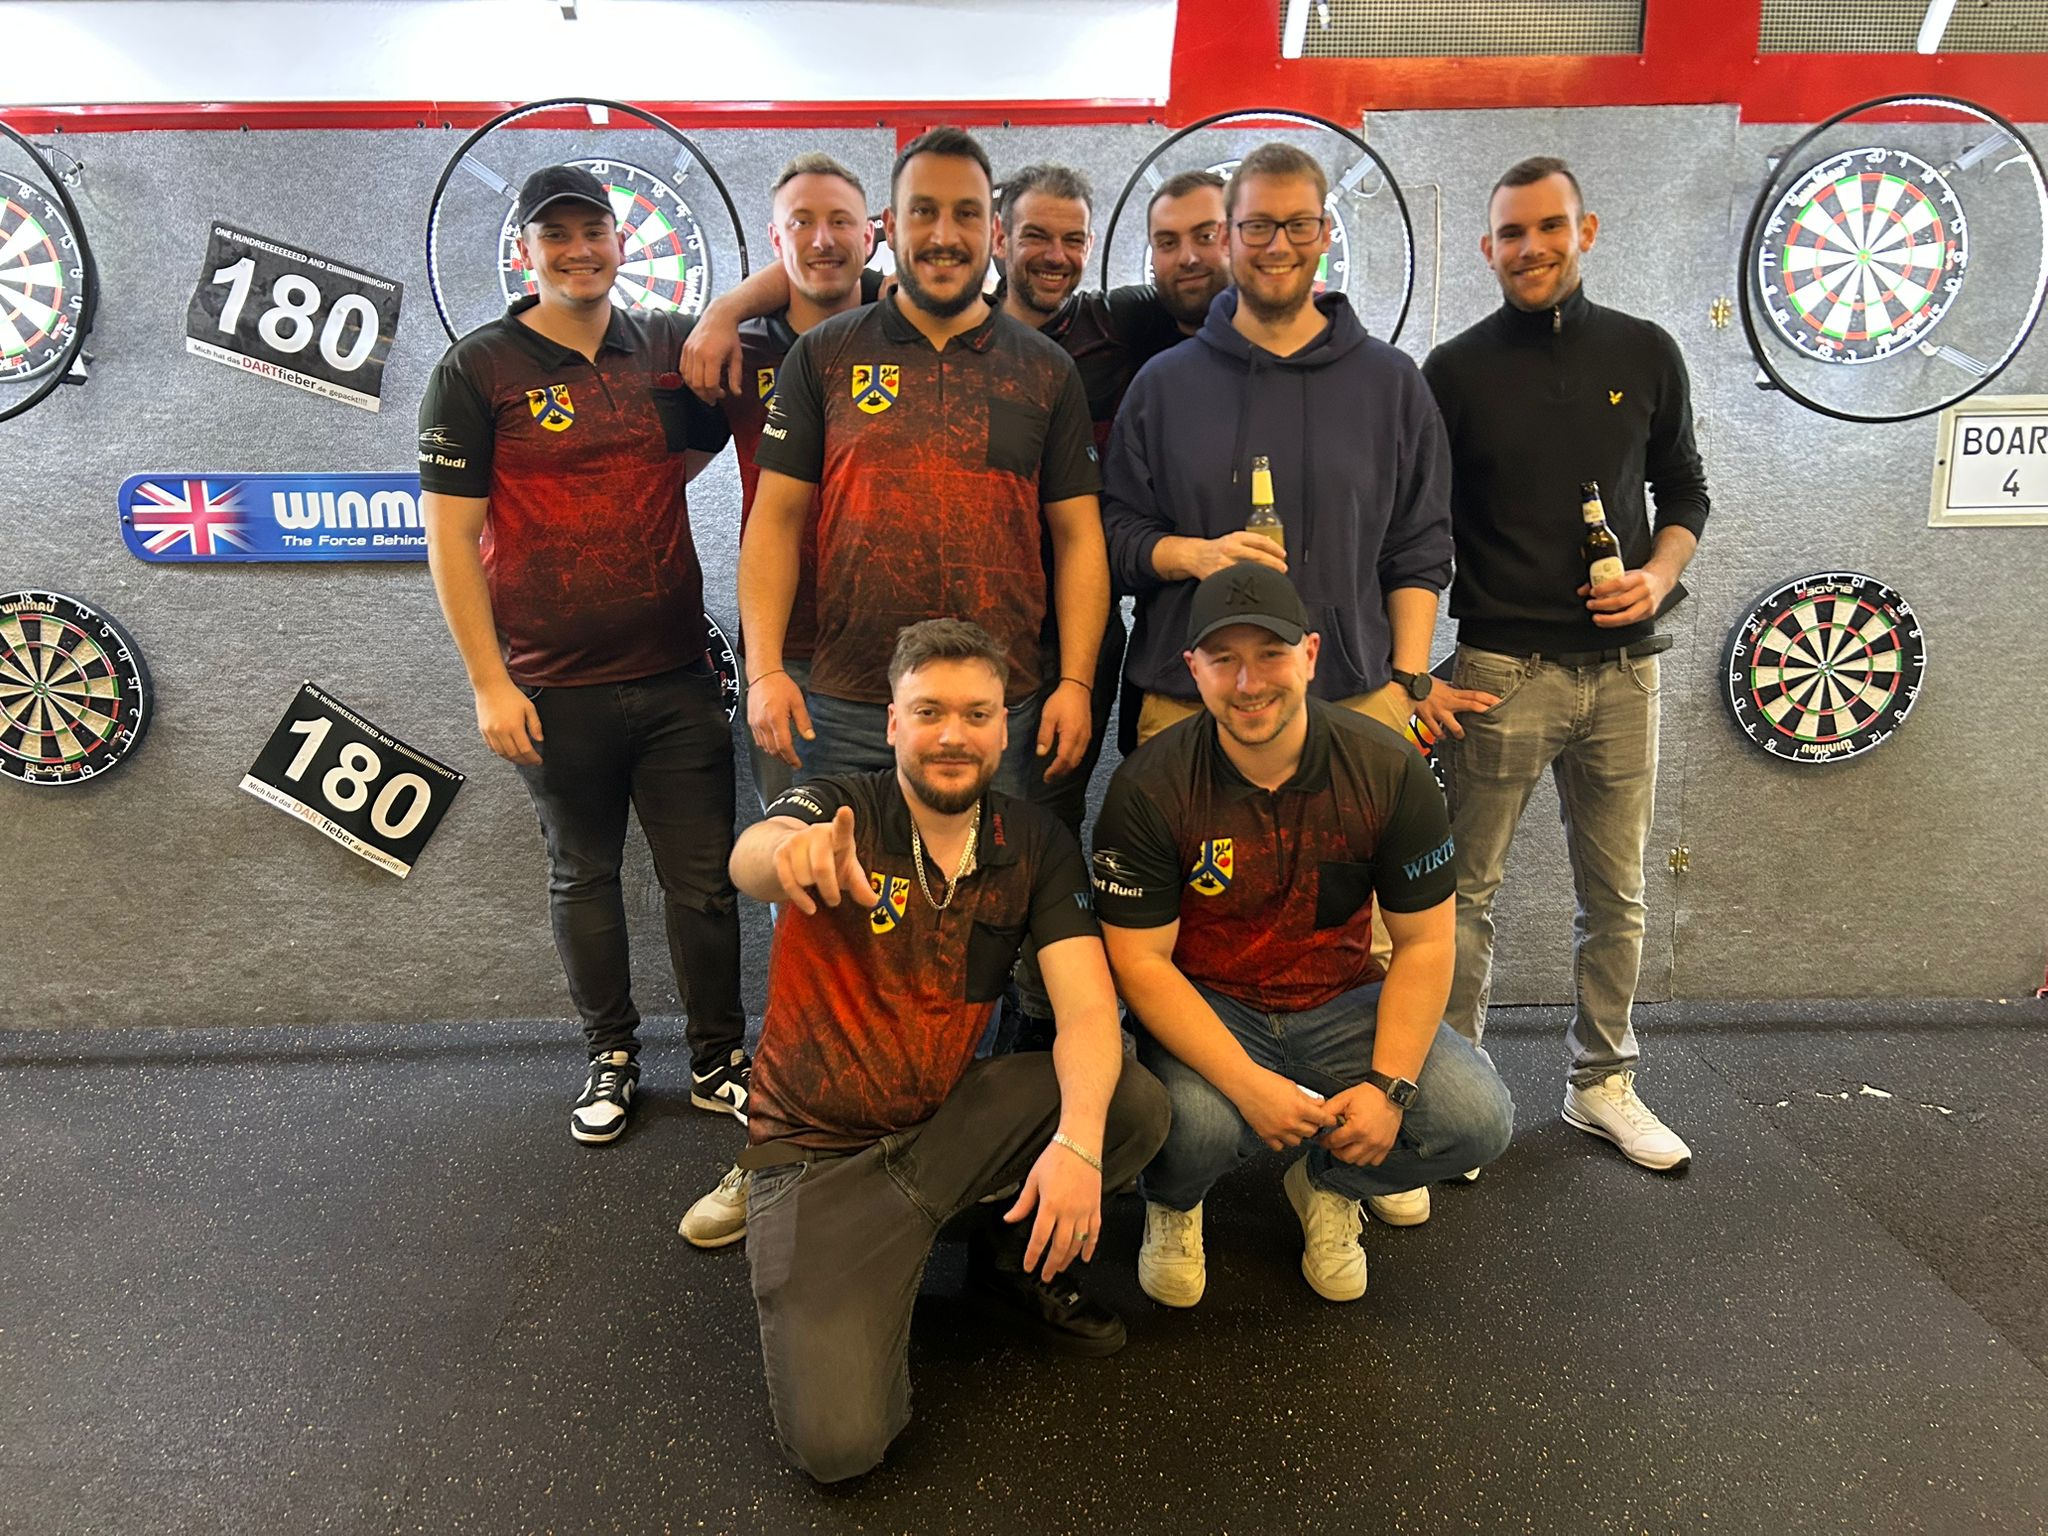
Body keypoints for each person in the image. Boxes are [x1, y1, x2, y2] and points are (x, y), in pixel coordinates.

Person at [722, 619, 1169, 1482]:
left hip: (942, 1127)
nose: (953, 735)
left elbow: (1086, 1009)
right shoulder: (838, 809)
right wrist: (790, 856)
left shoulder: (1033, 843)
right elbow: (756, 855)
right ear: (894, 723)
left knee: (1129, 1103)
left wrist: (1078, 1147)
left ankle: (1005, 1265)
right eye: (929, 712)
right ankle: (872, 1266)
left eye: (976, 714)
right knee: (841, 1449)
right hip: (820, 1158)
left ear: (1004, 729)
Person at [418, 164, 749, 1144]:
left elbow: (681, 462)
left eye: (593, 231)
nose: (577, 250)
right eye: (555, 235)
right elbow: (449, 540)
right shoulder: (476, 369)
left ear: (618, 241)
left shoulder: (666, 346)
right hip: (552, 688)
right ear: (525, 251)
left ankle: (717, 1061)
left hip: (677, 675)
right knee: (584, 879)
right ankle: (610, 1058)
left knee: (705, 886)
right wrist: (489, 683)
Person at [1093, 565, 1513, 1307]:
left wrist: (1387, 1090)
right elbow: (1140, 962)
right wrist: (1249, 1085)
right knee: (1192, 1129)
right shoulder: (1149, 787)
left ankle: (1327, 1183)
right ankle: (1176, 1201)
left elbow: (1425, 943)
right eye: (1224, 658)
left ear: (1311, 655)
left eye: (1271, 654)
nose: (1248, 682)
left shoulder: (1388, 769)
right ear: (1192, 669)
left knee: (1477, 1122)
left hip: (1340, 1001)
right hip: (1213, 1002)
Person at [1421, 156, 1711, 1174]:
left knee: (1617, 896)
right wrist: (1413, 673)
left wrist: (1657, 576)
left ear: (1584, 230)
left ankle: (1601, 1086)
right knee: (1463, 898)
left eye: (1549, 226)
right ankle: (1453, 1101)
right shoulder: (1451, 372)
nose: (1530, 247)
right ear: (1487, 248)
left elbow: (1684, 491)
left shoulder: (1646, 351)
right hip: (1498, 669)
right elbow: (1417, 530)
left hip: (1625, 673)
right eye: (1511, 233)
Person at [739, 127, 1108, 801]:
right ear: (890, 226)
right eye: (924, 211)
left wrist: (1077, 683)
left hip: (997, 703)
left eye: (965, 213)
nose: (944, 234)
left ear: (992, 230)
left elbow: (1079, 536)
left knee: (990, 872)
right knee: (831, 869)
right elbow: (776, 520)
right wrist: (763, 669)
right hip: (849, 701)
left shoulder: (1046, 369)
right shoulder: (822, 355)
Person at [1101, 141, 1462, 754]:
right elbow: (1114, 533)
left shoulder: (1392, 383)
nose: (1278, 246)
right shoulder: (1162, 386)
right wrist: (1194, 555)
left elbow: (1419, 545)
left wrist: (1406, 683)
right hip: (1189, 706)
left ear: (1324, 234)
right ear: (1229, 237)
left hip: (1355, 702)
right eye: (1258, 226)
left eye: (1298, 225)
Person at [717, 153, 873, 810]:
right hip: (789, 656)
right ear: (775, 240)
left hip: (905, 650)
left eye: (841, 221)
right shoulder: (736, 349)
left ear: (871, 236)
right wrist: (722, 313)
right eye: (801, 222)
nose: (822, 238)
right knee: (795, 854)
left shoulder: (914, 332)